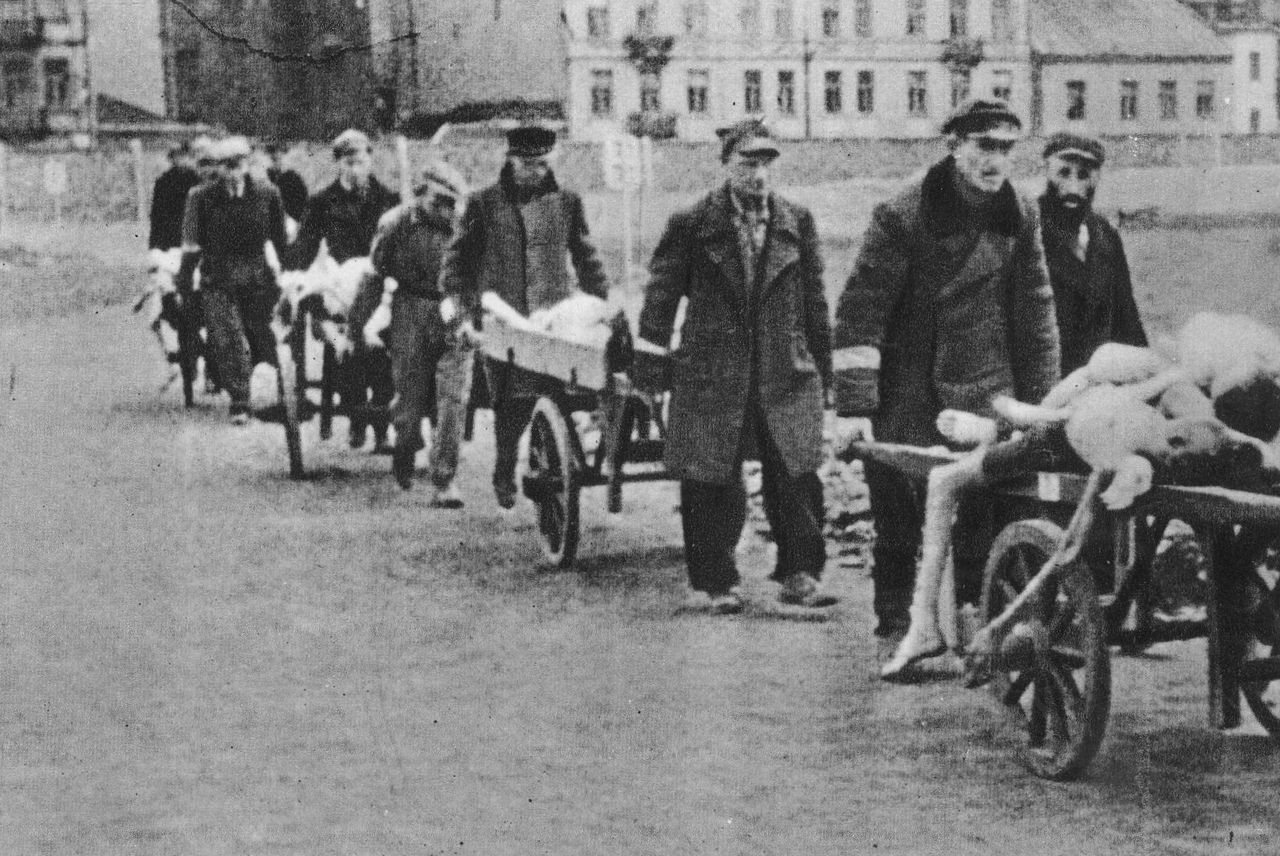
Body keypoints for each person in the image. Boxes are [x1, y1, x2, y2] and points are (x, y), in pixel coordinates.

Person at [831, 99, 1061, 651]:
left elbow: (1036, 313)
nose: (995, 160)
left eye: (1006, 148)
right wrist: (857, 407)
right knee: (897, 516)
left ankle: (972, 623)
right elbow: (861, 312)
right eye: (984, 146)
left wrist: (1042, 408)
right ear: (954, 146)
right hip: (908, 389)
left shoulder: (1020, 214)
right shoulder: (903, 214)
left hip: (983, 387)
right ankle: (895, 624)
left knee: (980, 510)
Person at [636, 120, 836, 614]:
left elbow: (815, 302)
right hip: (712, 370)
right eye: (748, 163)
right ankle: (714, 582)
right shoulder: (692, 222)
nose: (759, 174)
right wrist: (650, 366)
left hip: (784, 370)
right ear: (726, 164)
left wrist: (827, 376)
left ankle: (801, 575)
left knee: (796, 471)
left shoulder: (797, 221)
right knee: (711, 476)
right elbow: (660, 297)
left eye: (767, 163)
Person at [440, 125, 608, 509]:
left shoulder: (567, 202)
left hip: (553, 321)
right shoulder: (483, 204)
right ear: (511, 162)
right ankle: (504, 466)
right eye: (528, 164)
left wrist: (599, 306)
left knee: (559, 396)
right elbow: (456, 265)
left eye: (543, 164)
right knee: (511, 404)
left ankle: (549, 463)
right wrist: (462, 313)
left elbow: (585, 256)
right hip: (503, 321)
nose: (536, 172)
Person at [362, 163, 472, 498]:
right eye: (438, 201)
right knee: (409, 401)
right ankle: (405, 449)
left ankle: (444, 479)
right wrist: (358, 324)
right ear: (420, 194)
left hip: (453, 311)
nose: (445, 210)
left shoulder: (465, 227)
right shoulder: (396, 224)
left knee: (452, 400)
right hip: (410, 310)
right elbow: (374, 274)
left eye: (452, 203)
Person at [287, 129, 401, 451]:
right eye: (348, 163)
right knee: (345, 339)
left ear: (370, 161)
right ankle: (357, 417)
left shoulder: (389, 200)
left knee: (386, 339)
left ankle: (381, 425)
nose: (355, 169)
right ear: (338, 164)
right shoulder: (322, 202)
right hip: (342, 288)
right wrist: (294, 273)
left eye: (360, 162)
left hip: (380, 286)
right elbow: (305, 248)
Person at [177, 135, 288, 424]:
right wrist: (184, 284)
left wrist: (289, 275)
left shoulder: (267, 194)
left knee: (262, 334)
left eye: (238, 164)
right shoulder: (200, 197)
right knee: (227, 336)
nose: (233, 172)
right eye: (226, 166)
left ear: (248, 164)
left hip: (258, 279)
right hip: (218, 279)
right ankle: (240, 401)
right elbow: (191, 246)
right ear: (218, 168)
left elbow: (280, 242)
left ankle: (278, 389)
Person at [1039, 131, 1147, 373]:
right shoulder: (1027, 232)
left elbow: (1127, 318)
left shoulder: (1105, 235)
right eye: (1064, 172)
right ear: (1046, 170)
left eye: (1084, 175)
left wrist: (1143, 368)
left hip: (1101, 377)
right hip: (1047, 378)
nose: (1073, 187)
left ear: (1097, 178)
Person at [148, 141, 200, 252]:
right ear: (172, 159)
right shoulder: (163, 181)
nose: (182, 159)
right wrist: (154, 245)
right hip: (171, 234)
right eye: (178, 156)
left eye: (185, 155)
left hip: (194, 232)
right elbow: (157, 214)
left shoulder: (197, 179)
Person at [264, 140, 309, 226]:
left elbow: (302, 198)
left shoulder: (292, 176)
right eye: (272, 157)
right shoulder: (266, 177)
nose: (276, 160)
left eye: (277, 157)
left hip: (291, 217)